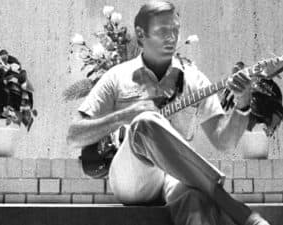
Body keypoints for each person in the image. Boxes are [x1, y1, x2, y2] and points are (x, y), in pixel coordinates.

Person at [67, 1, 271, 225]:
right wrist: (123, 116)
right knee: (144, 121)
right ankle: (235, 208)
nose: (172, 37)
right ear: (140, 34)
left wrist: (242, 103)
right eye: (163, 31)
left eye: (175, 30)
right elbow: (74, 135)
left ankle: (215, 199)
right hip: (132, 177)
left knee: (196, 201)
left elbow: (224, 142)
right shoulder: (117, 77)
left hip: (178, 176)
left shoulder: (194, 79)